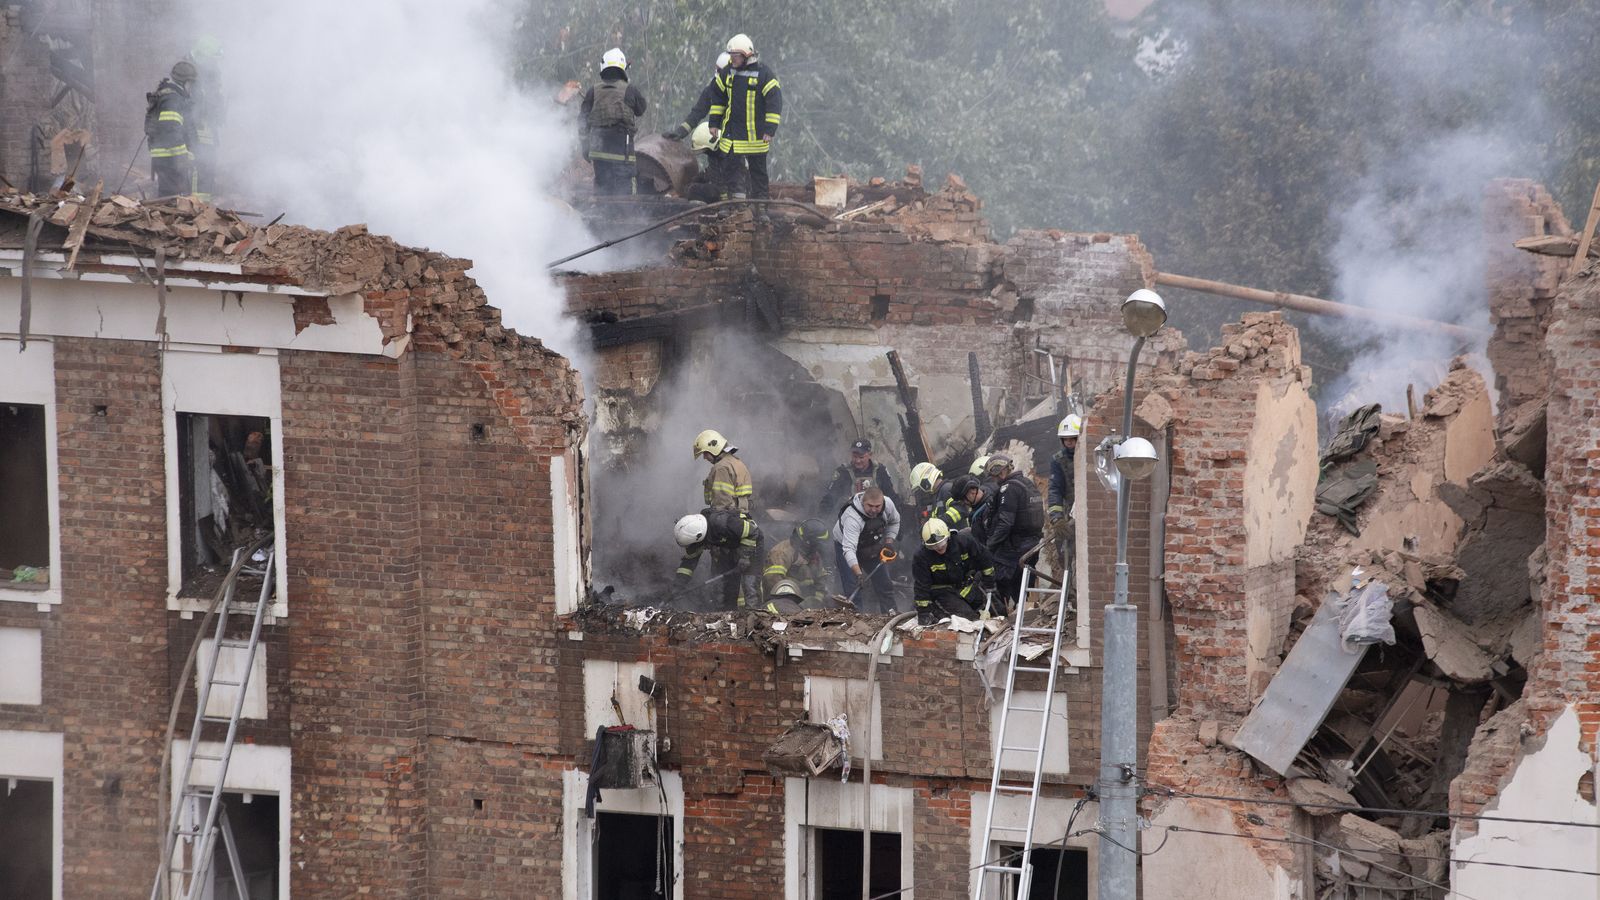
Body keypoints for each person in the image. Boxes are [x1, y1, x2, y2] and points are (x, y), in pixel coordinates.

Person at [706, 34, 781, 202]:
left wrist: (770, 129)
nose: (732, 59)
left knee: (758, 175)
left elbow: (774, 103)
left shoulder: (764, 74)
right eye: (731, 55)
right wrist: (714, 123)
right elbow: (718, 97)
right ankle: (733, 206)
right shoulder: (728, 73)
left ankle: (760, 208)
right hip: (732, 136)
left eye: (736, 56)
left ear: (747, 54)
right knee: (729, 171)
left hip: (756, 137)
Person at [977, 453, 1044, 610]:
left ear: (1000, 472)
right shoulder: (1027, 483)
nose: (994, 480)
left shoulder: (1009, 489)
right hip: (1032, 544)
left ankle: (1010, 614)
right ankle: (1026, 612)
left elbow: (1005, 523)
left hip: (1016, 547)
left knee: (1001, 578)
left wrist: (990, 545)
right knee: (1024, 583)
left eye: (994, 476)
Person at [579, 48, 647, 196]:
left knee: (603, 193)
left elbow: (582, 121)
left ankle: (602, 211)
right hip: (623, 155)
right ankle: (625, 212)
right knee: (624, 197)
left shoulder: (592, 91)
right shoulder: (630, 90)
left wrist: (585, 146)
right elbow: (641, 109)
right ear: (623, 68)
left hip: (599, 155)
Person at [673, 509, 762, 611]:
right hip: (731, 547)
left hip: (752, 542)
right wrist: (677, 587)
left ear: (699, 537)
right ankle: (729, 615)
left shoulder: (722, 524)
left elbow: (753, 531)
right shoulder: (697, 537)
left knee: (750, 584)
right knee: (727, 586)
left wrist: (745, 557)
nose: (691, 547)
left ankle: (754, 614)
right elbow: (688, 563)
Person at [912, 519, 995, 624]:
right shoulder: (921, 557)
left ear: (948, 535)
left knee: (997, 610)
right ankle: (936, 611)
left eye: (941, 543)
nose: (938, 548)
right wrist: (924, 613)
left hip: (966, 586)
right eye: (933, 546)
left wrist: (989, 583)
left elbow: (985, 559)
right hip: (942, 592)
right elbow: (921, 586)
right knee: (968, 618)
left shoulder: (964, 541)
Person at [833, 486, 900, 614]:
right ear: (863, 501)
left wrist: (889, 541)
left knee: (884, 583)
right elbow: (849, 549)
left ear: (882, 502)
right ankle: (856, 618)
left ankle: (891, 616)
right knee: (852, 586)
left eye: (877, 506)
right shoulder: (852, 517)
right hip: (846, 547)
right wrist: (858, 574)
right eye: (870, 506)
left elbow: (895, 521)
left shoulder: (888, 505)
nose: (874, 510)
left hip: (871, 544)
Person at [819, 439, 904, 532]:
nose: (858, 461)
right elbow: (831, 497)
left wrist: (898, 517)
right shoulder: (843, 472)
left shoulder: (880, 471)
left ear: (870, 455)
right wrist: (822, 520)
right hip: (851, 522)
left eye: (861, 457)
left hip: (877, 523)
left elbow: (890, 495)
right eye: (854, 457)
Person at [145, 61, 198, 198]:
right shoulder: (172, 99)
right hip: (170, 157)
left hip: (166, 156)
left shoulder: (169, 95)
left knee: (171, 196)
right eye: (191, 83)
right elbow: (171, 129)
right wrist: (183, 155)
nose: (192, 87)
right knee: (173, 198)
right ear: (185, 82)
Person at [186, 36, 225, 202]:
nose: (215, 63)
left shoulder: (212, 75)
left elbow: (216, 100)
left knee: (208, 168)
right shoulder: (187, 73)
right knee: (197, 169)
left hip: (209, 132)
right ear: (202, 55)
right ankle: (194, 208)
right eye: (212, 59)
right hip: (194, 132)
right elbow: (186, 107)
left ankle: (205, 210)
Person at [1046, 414, 1082, 587]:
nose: (1069, 443)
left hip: (1087, 511)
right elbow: (1055, 490)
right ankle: (1071, 591)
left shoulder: (1091, 454)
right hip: (1070, 514)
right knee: (1066, 553)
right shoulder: (1058, 460)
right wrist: (1057, 519)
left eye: (1072, 439)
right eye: (1065, 439)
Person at [763, 518, 831, 604]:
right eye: (817, 544)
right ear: (808, 542)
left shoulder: (813, 555)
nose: (819, 548)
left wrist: (816, 602)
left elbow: (821, 582)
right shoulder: (782, 552)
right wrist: (793, 602)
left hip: (804, 604)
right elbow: (773, 580)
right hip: (781, 602)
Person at [693, 428, 753, 513]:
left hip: (728, 516)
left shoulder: (721, 468)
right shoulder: (736, 462)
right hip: (740, 515)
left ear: (714, 449)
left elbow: (722, 503)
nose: (704, 457)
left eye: (705, 453)